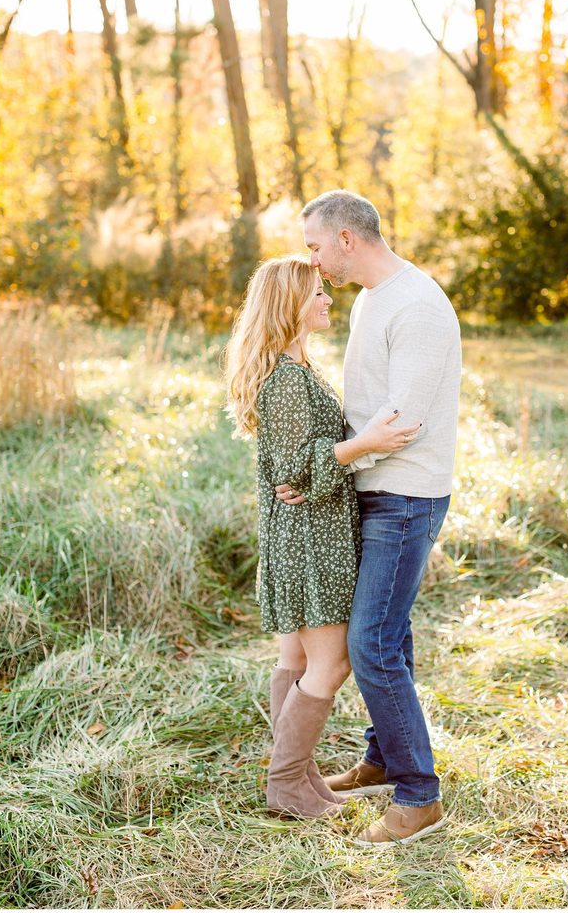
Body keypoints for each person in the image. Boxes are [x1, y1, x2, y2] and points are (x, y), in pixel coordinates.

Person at [275, 191, 461, 846]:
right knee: (390, 634)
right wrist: (327, 469)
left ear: (347, 239)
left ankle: (419, 796)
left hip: (405, 495)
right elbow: (367, 418)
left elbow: (400, 424)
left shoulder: (417, 306)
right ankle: (383, 759)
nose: (315, 262)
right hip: (372, 489)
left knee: (371, 644)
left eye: (317, 247)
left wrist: (328, 467)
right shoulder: (373, 301)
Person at [224, 256, 420, 819]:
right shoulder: (285, 380)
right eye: (317, 293)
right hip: (313, 541)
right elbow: (291, 470)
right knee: (330, 666)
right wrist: (366, 442)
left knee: (296, 658)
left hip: (306, 532)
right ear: (290, 305)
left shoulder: (294, 368)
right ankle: (286, 782)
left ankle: (301, 780)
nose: (328, 299)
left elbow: (297, 466)